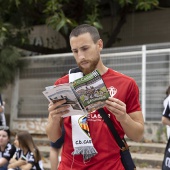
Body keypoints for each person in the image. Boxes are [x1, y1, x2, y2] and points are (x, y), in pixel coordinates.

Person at [46, 24, 144, 169]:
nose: (81, 56)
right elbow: (53, 137)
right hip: (70, 166)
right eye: (75, 51)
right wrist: (54, 119)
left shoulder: (126, 83)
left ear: (99, 45)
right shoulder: (63, 84)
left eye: (85, 48)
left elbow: (138, 135)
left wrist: (123, 117)